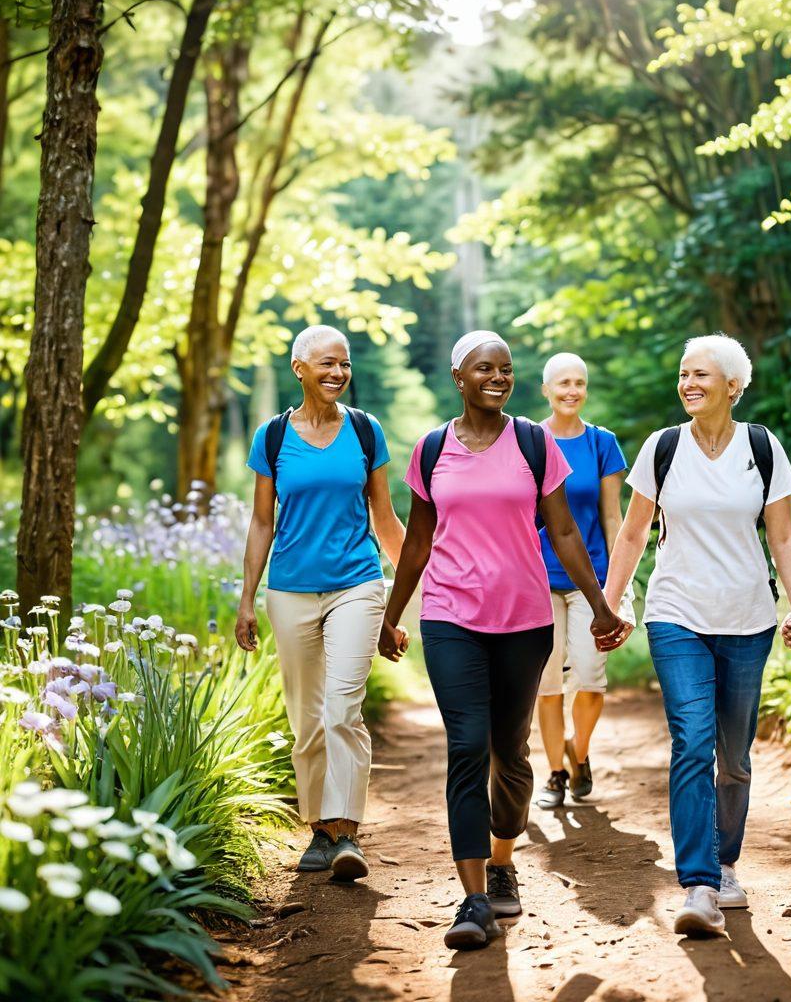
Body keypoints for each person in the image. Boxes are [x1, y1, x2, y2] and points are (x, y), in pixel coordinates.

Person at [378, 330, 629, 951]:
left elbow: (565, 531)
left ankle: (502, 859)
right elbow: (416, 541)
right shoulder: (433, 449)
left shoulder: (534, 442)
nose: (498, 377)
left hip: (523, 618)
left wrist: (600, 607)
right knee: (466, 745)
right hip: (449, 615)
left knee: (509, 753)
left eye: (507, 369)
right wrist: (393, 615)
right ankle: (471, 899)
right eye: (484, 369)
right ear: (458, 378)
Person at [603, 333, 791, 938]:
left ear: (732, 385)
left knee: (735, 757)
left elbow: (782, 538)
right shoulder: (662, 447)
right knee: (692, 741)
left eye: (701, 374)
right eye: (683, 374)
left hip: (748, 617)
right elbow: (634, 534)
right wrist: (612, 602)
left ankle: (724, 865)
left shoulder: (762, 447)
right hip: (677, 613)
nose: (688, 383)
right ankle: (697, 883)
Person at [235, 325, 405, 882]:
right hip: (290, 589)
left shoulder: (364, 429)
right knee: (306, 717)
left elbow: (384, 516)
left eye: (345, 365)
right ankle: (319, 829)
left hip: (357, 581)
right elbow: (263, 521)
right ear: (299, 368)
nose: (337, 373)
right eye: (327, 364)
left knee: (342, 708)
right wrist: (247, 598)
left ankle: (347, 830)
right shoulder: (273, 435)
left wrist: (409, 592)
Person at [534, 352, 632, 809]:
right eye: (563, 383)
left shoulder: (601, 443)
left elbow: (613, 516)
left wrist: (619, 583)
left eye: (579, 383)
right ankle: (554, 771)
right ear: (546, 390)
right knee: (548, 681)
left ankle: (580, 752)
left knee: (591, 677)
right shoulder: (529, 440)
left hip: (589, 580)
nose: (572, 390)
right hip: (538, 578)